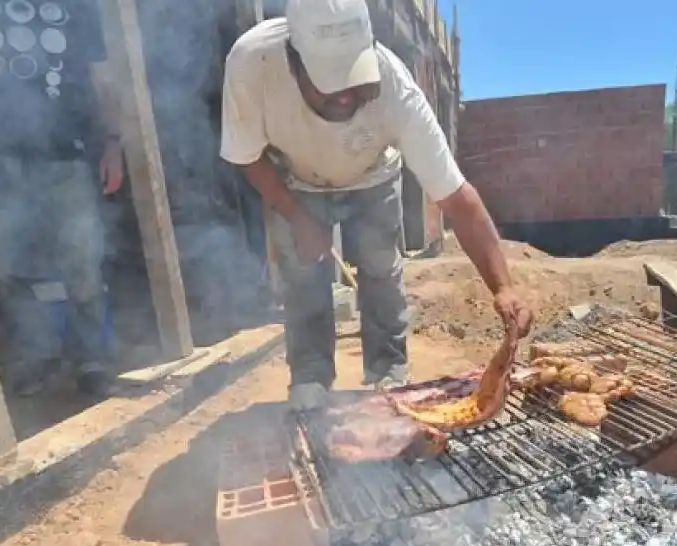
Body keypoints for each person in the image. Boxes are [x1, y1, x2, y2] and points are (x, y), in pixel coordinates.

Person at [220, 0, 533, 411]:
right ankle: (311, 379)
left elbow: (456, 197)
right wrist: (296, 216)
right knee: (302, 277)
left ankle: (389, 374)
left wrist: (504, 286)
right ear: (293, 64)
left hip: (373, 177)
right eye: (332, 90)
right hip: (296, 181)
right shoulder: (251, 62)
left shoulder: (396, 89)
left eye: (355, 84)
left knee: (381, 270)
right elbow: (246, 156)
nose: (348, 98)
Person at [0, 0, 123, 397]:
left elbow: (101, 77)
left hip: (65, 156)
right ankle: (37, 355)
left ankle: (92, 360)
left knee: (83, 261)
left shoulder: (76, 5)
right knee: (0, 268)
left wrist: (113, 143)